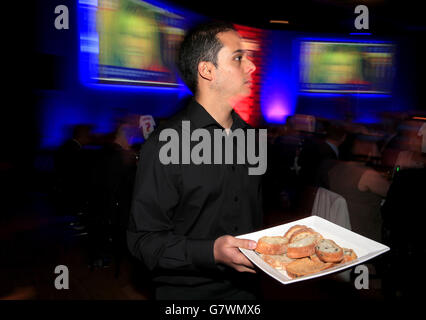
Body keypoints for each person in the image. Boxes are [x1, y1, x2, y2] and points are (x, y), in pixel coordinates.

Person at [127, 21, 262, 300]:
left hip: (248, 288)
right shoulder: (165, 144)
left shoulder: (251, 137)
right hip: (188, 293)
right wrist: (210, 252)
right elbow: (143, 241)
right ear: (207, 70)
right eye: (238, 58)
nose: (251, 67)